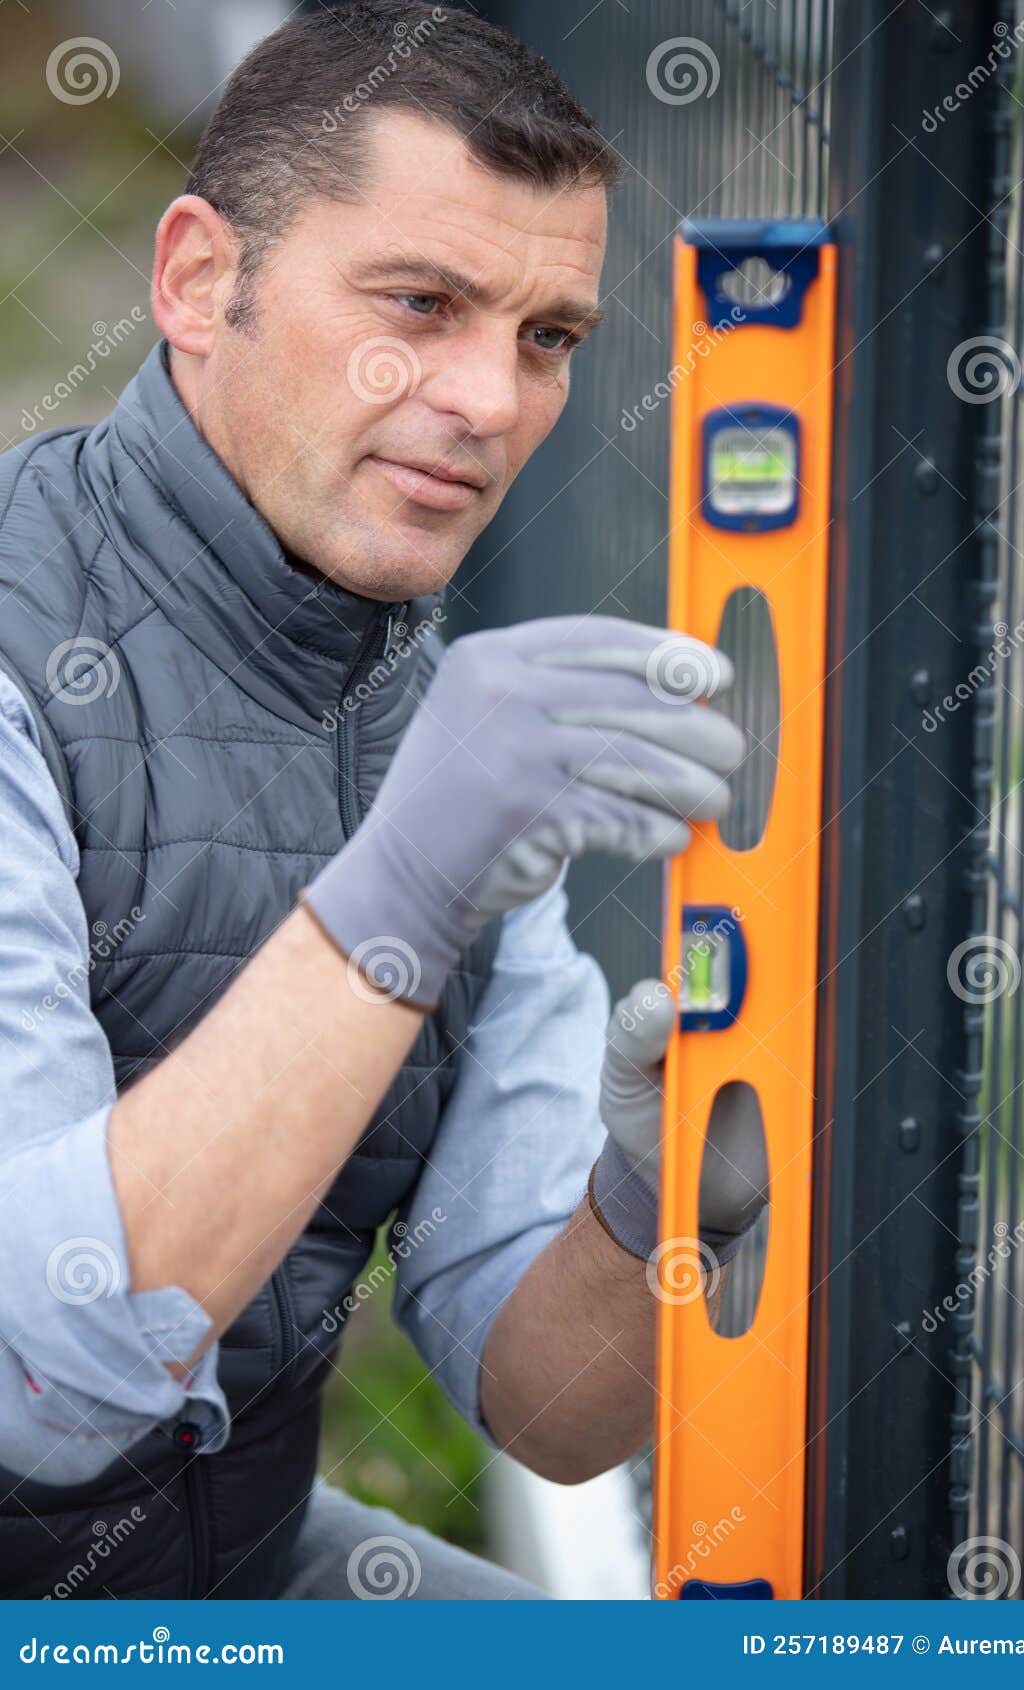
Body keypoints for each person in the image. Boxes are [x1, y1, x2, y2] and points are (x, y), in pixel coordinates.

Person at [0, 1, 765, 1600]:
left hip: (227, 1570)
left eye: (548, 337)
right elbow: (46, 1386)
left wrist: (654, 1198)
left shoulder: (441, 719)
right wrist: (405, 886)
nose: (492, 401)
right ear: (202, 279)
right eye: (420, 304)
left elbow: (547, 1408)